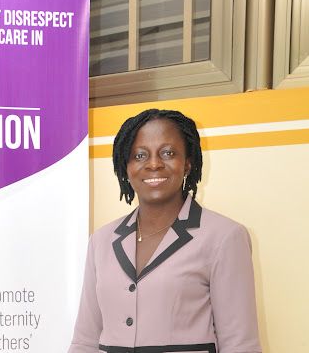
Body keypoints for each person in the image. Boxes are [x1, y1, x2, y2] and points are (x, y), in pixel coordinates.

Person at [69, 109, 261, 353]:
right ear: (126, 167)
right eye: (140, 155)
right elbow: (85, 341)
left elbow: (240, 345)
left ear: (187, 163)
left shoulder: (225, 237)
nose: (154, 164)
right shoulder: (101, 241)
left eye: (168, 153)